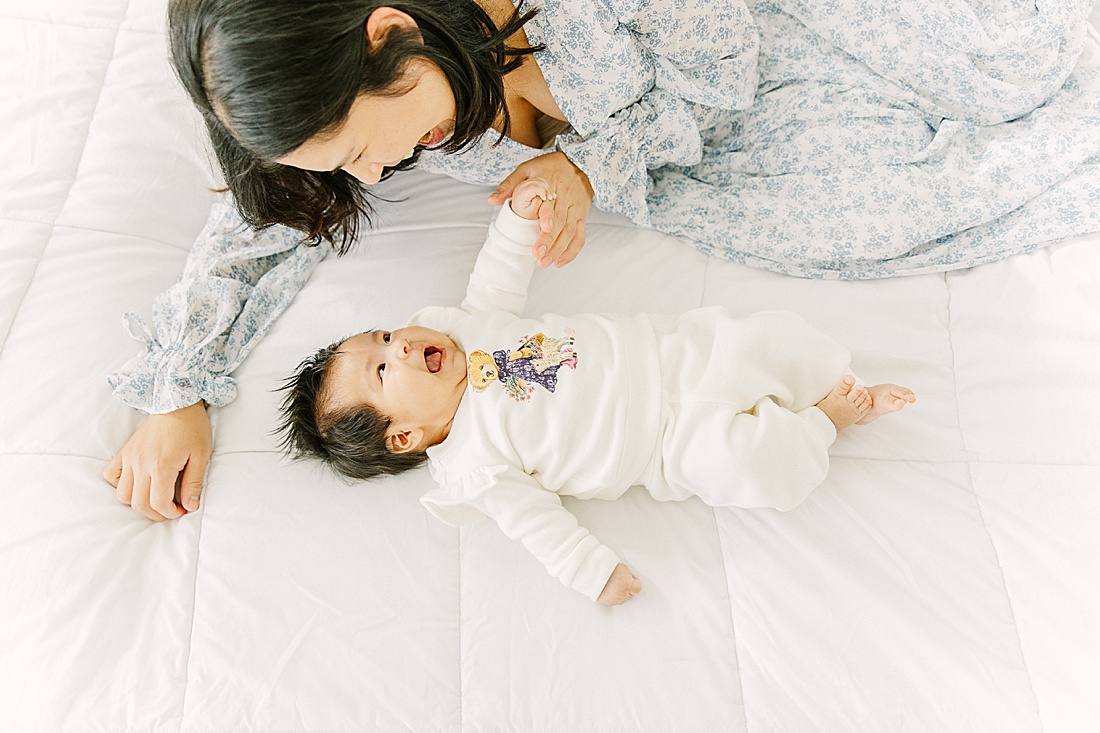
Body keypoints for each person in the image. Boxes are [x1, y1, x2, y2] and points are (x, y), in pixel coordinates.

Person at [104, 0, 1097, 519]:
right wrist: (175, 390)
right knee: (906, 199)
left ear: (391, 37)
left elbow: (721, 67)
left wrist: (587, 164)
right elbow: (269, 215)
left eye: (362, 146)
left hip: (745, 56)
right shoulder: (366, 88)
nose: (371, 173)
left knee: (1011, 60)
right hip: (717, 166)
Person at [275, 179, 916, 605]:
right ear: (404, 435)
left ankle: (830, 384)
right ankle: (825, 422)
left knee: (766, 340)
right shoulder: (475, 467)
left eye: (385, 336)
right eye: (384, 372)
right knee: (748, 466)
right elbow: (540, 528)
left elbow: (497, 281)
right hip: (664, 447)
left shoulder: (465, 330)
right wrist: (594, 574)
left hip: (670, 356)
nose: (401, 347)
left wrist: (516, 223)